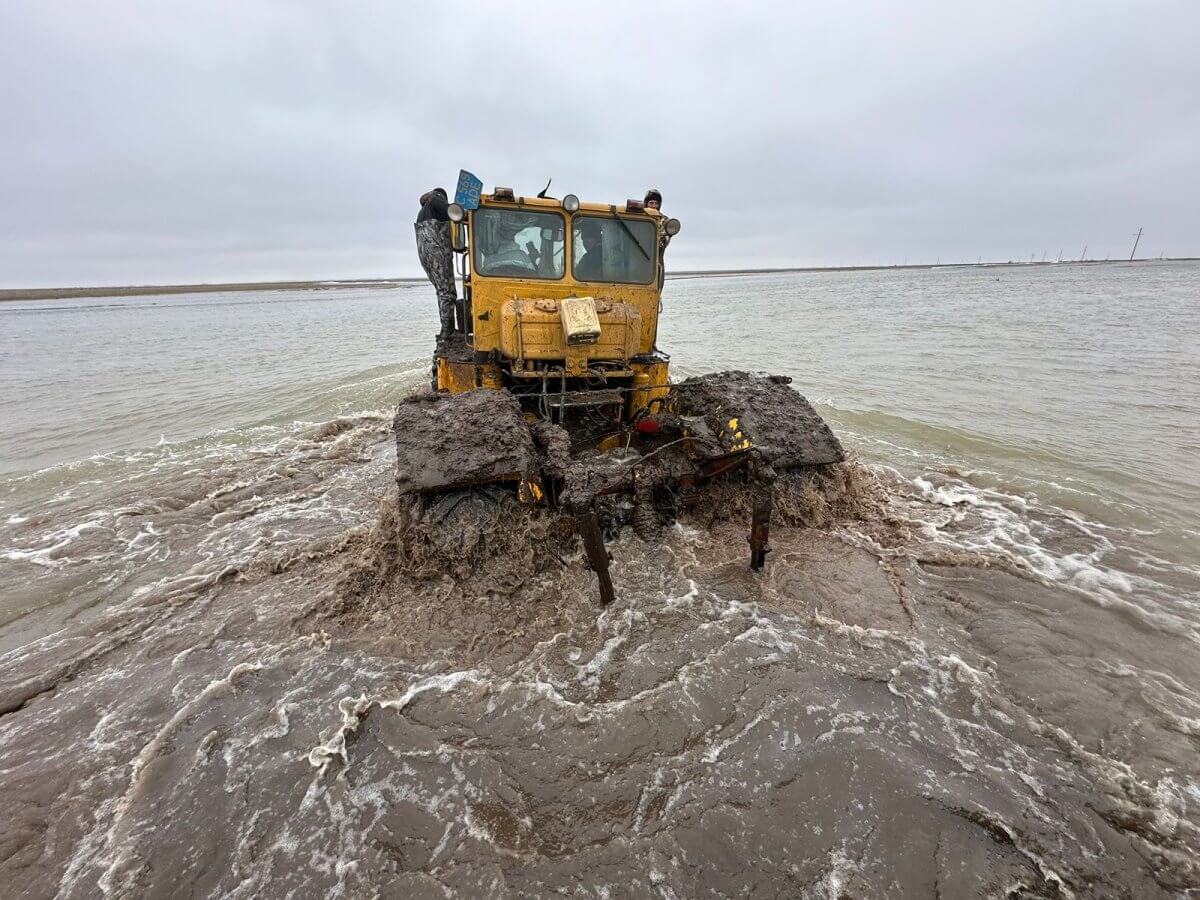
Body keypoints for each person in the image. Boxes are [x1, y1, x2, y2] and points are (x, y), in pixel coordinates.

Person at [414, 187, 457, 343]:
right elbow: (453, 212)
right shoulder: (436, 199)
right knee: (448, 292)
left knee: (440, 290)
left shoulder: (421, 214)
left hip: (424, 254)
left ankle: (445, 329)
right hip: (437, 250)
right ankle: (448, 332)